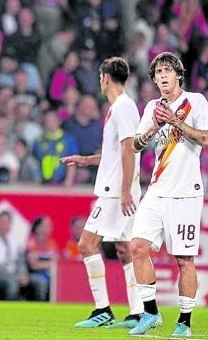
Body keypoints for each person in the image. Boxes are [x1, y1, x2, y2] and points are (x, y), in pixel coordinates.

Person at [129, 52, 208, 336]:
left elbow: (207, 138)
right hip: (156, 191)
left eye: (167, 70)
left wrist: (176, 122)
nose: (162, 76)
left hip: (186, 194)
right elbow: (136, 146)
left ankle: (184, 322)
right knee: (136, 247)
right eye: (157, 73)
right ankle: (150, 313)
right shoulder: (152, 106)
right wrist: (154, 127)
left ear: (178, 74)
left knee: (183, 260)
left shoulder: (196, 101)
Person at [61, 57, 144, 329]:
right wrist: (86, 160)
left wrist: (124, 191)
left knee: (86, 243)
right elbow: (115, 154)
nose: (99, 81)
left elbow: (129, 148)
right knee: (123, 249)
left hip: (115, 191)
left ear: (105, 78)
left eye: (100, 76)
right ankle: (137, 312)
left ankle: (103, 309)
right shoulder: (120, 108)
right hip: (119, 188)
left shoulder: (122, 107)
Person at [0, 211, 43, 301]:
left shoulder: (14, 241)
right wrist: (15, 277)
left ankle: (37, 312)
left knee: (39, 282)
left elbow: (20, 261)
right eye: (2, 222)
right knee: (11, 283)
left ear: (10, 224)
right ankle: (8, 312)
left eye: (7, 222)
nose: (4, 225)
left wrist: (23, 275)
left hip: (14, 275)